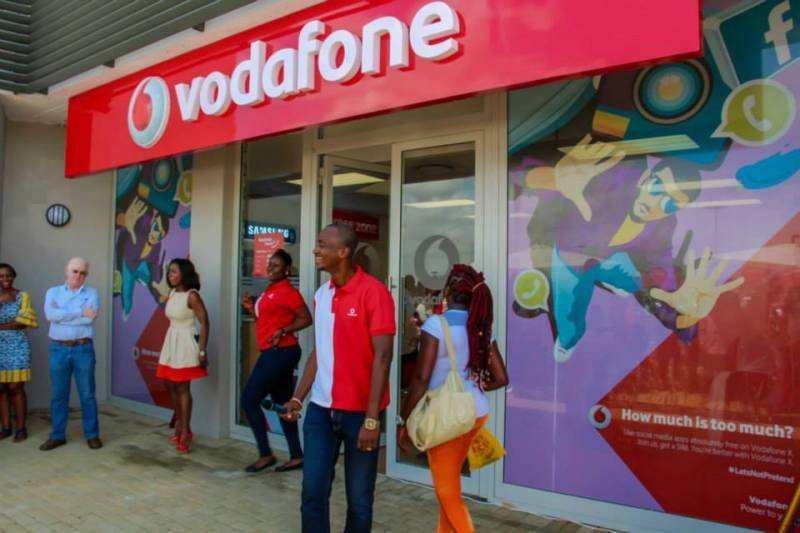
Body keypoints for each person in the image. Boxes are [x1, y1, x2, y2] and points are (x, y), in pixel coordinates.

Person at [520, 136, 743, 362]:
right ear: (645, 178)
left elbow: (661, 276)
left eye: (670, 203)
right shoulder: (610, 184)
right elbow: (515, 171)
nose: (656, 203)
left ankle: (612, 281)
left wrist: (687, 314)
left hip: (611, 259)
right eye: (656, 187)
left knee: (637, 277)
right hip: (571, 258)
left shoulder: (663, 225)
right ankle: (568, 342)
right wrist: (554, 180)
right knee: (569, 318)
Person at [281, 223, 396, 533]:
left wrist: (372, 419)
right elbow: (318, 353)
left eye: (322, 245)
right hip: (320, 411)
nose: (315, 250)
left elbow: (383, 357)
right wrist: (297, 397)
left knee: (359, 501)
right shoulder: (322, 295)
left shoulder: (374, 292)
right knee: (312, 493)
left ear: (343, 252)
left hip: (360, 414)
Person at [397, 264, 508, 533]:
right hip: (475, 413)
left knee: (447, 493)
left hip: (446, 417)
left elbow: (421, 378)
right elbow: (501, 378)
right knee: (450, 487)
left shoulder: (436, 325)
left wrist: (404, 420)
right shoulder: (481, 328)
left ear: (447, 291)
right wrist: (471, 389)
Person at [240, 249, 312, 473]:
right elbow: (269, 319)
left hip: (281, 352)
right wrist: (251, 308)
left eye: (276, 265)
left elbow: (306, 318)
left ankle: (265, 454)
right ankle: (296, 456)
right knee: (282, 403)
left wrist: (284, 329)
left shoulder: (288, 291)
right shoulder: (270, 289)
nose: (270, 268)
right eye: (269, 264)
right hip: (276, 351)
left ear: (287, 269)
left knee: (249, 399)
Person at [40, 257, 102, 451]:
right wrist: (80, 312)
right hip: (58, 348)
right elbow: (50, 316)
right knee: (58, 395)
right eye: (75, 271)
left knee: (87, 395)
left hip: (83, 348)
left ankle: (92, 435)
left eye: (83, 272)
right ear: (66, 271)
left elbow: (89, 320)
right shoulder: (53, 292)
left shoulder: (92, 293)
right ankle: (57, 436)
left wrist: (63, 313)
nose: (79, 275)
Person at [156, 258, 209, 454]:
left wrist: (202, 350)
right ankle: (179, 422)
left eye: (174, 271)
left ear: (184, 274)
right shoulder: (172, 293)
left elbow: (205, 322)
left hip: (186, 342)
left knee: (182, 386)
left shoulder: (192, 296)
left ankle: (185, 431)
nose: (170, 275)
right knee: (169, 384)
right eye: (169, 271)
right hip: (171, 340)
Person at [0, 263, 34, 442]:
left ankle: (21, 428)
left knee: (16, 387)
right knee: (1, 388)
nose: (5, 279)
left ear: (14, 276)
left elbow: (23, 322)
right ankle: (6, 427)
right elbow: (14, 322)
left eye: (8, 275)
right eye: (1, 276)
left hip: (18, 346)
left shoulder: (23, 296)